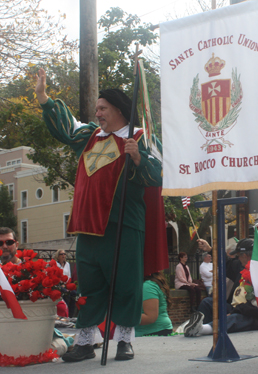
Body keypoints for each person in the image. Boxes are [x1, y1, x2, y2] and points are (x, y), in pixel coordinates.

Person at [35, 68, 163, 362]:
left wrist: (137, 157)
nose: (98, 113)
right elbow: (66, 128)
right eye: (97, 109)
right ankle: (84, 342)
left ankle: (124, 341)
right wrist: (44, 98)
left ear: (118, 109)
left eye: (103, 108)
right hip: (87, 226)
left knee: (126, 285)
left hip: (123, 225)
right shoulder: (90, 135)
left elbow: (158, 176)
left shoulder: (141, 137)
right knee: (89, 287)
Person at [184, 238, 258, 337]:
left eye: (238, 256)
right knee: (207, 302)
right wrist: (210, 249)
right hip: (234, 308)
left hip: (250, 314)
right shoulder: (240, 266)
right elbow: (225, 262)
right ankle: (198, 325)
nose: (237, 258)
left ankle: (204, 329)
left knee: (235, 319)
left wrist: (234, 311)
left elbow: (256, 306)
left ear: (244, 256)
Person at [135, 272, 173, 337]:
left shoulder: (147, 286)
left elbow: (150, 317)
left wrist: (124, 317)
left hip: (154, 333)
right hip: (152, 332)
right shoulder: (149, 283)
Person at [53, 249, 76, 317]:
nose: (63, 256)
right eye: (61, 254)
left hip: (66, 284)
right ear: (58, 256)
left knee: (74, 294)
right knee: (66, 293)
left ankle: (71, 315)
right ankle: (65, 314)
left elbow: (69, 276)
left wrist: (67, 285)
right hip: (58, 284)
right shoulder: (56, 264)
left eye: (64, 254)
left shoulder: (67, 264)